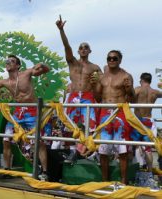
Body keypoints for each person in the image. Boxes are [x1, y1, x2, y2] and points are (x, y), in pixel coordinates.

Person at [0, 55, 50, 180]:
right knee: (6, 140)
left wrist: (42, 64)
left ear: (18, 65)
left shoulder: (27, 73)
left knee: (39, 143)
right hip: (18, 112)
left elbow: (46, 70)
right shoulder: (5, 81)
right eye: (7, 61)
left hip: (32, 111)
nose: (8, 63)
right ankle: (7, 170)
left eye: (11, 61)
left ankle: (45, 172)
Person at [56, 16, 102, 159]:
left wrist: (98, 81)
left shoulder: (95, 67)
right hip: (74, 96)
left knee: (91, 126)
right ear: (78, 51)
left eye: (86, 47)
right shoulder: (72, 63)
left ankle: (89, 154)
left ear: (90, 51)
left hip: (88, 96)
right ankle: (69, 153)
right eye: (81, 48)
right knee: (69, 126)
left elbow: (104, 81)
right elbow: (66, 47)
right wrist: (61, 30)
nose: (83, 49)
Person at [94, 50, 135, 184]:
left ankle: (124, 180)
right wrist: (95, 86)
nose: (111, 60)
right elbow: (97, 97)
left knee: (122, 149)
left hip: (120, 112)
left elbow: (133, 99)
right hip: (105, 112)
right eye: (109, 58)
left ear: (120, 60)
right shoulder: (102, 77)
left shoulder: (126, 76)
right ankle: (105, 180)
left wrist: (129, 90)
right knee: (103, 149)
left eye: (114, 58)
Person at [131, 73, 162, 172]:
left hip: (138, 121)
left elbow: (129, 100)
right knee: (148, 149)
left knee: (131, 146)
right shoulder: (155, 92)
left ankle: (132, 171)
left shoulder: (138, 89)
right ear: (150, 81)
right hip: (149, 121)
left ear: (142, 80)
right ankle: (149, 173)